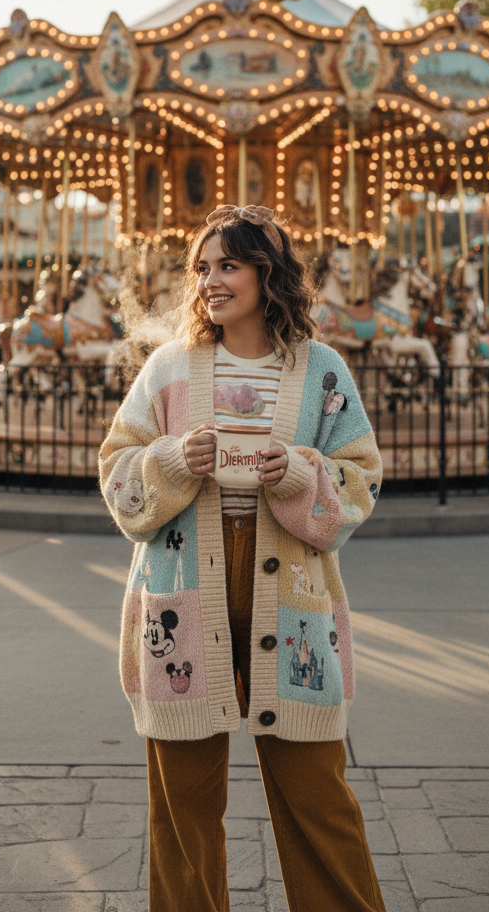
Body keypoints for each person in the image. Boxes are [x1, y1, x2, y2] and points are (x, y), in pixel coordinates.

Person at [99, 204, 386, 912]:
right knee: (182, 805)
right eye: (201, 267)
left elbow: (362, 478)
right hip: (182, 588)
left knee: (318, 792)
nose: (209, 280)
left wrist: (295, 471)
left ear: (268, 274)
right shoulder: (168, 368)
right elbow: (116, 470)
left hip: (289, 591)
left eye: (227, 264)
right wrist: (169, 460)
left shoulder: (321, 371)